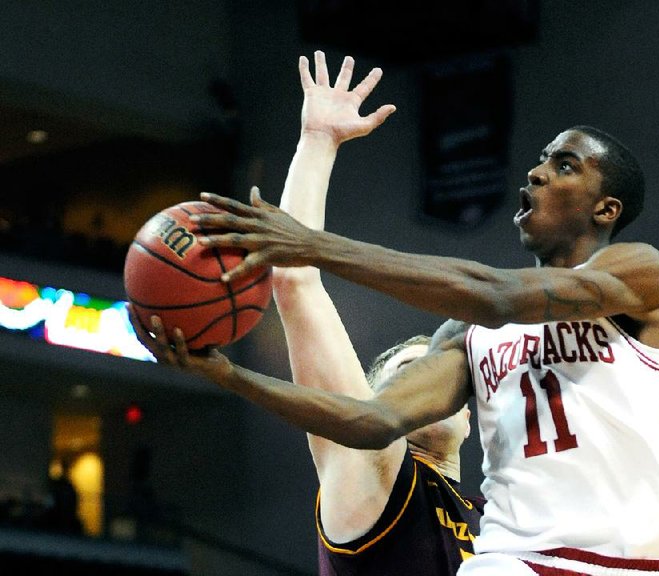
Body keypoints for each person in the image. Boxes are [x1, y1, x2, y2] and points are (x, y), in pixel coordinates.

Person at [183, 64, 659, 574]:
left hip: (639, 566)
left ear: (606, 210)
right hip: (517, 565)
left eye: (564, 165)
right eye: (540, 161)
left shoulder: (641, 274)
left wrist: (314, 246)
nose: (537, 172)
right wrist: (230, 376)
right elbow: (373, 420)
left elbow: (495, 295)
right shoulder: (464, 341)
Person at [131, 51, 483, 575]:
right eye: (409, 370)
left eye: (439, 372)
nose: (430, 378)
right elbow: (294, 280)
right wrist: (317, 142)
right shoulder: (371, 467)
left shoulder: (494, 523)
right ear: (364, 402)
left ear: (471, 415)